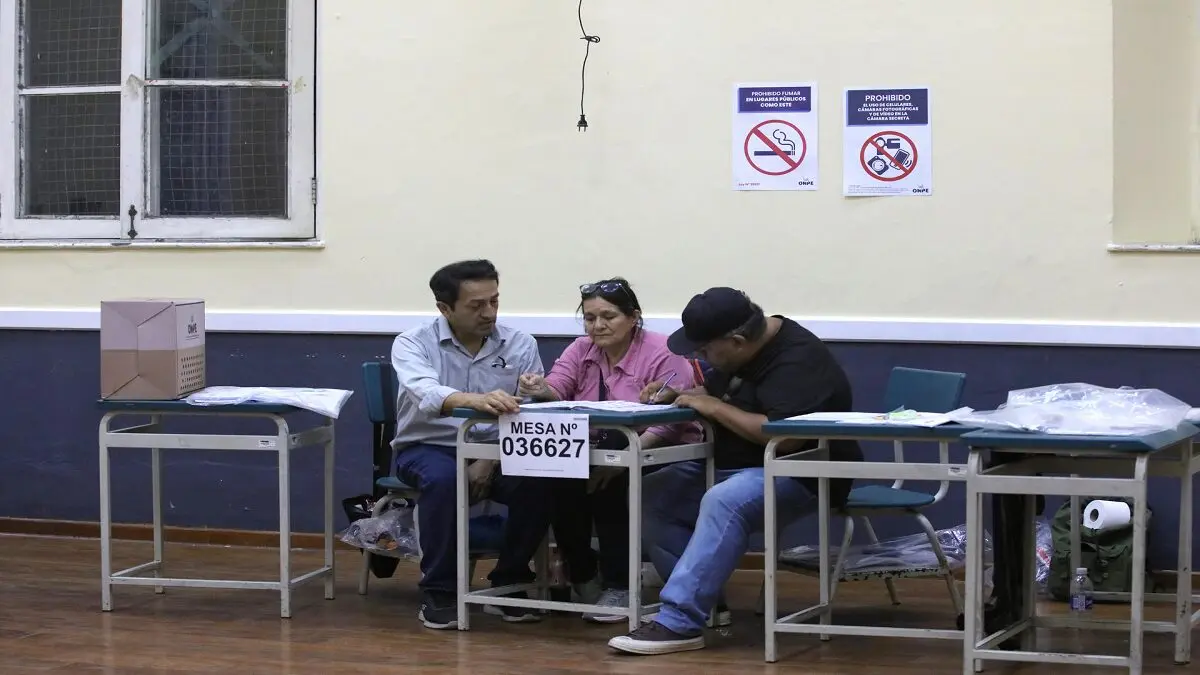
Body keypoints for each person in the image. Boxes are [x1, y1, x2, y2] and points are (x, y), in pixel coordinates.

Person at [607, 287, 865, 656]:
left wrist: (712, 407)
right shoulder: (743, 353)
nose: (700, 357)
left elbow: (785, 437)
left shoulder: (798, 362)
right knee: (654, 493)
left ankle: (678, 621)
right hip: (737, 465)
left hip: (805, 472)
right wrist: (680, 393)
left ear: (738, 341)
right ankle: (707, 604)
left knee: (725, 500)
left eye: (704, 350)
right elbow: (720, 392)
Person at [517, 278, 703, 623]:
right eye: (590, 318)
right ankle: (584, 572)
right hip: (597, 449)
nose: (597, 326)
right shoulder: (580, 349)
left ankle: (620, 584)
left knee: (613, 475)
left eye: (608, 316)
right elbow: (558, 388)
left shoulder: (663, 351)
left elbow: (671, 424)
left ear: (633, 317)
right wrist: (539, 387)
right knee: (554, 475)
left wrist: (623, 460)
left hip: (663, 450)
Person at [390, 259, 554, 630]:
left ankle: (509, 581)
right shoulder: (413, 343)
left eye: (494, 301)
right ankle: (440, 590)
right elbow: (426, 392)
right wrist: (475, 400)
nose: (489, 313)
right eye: (476, 305)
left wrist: (491, 458)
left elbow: (528, 413)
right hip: (429, 446)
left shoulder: (520, 343)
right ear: (444, 308)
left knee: (542, 478)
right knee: (444, 479)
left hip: (499, 448)